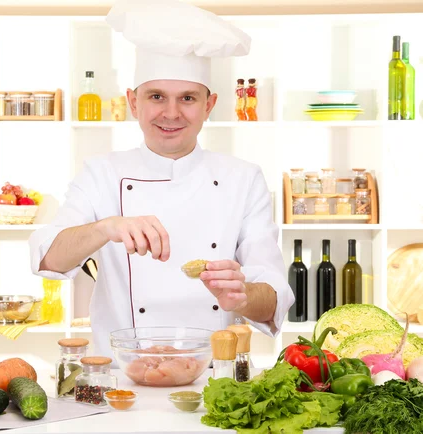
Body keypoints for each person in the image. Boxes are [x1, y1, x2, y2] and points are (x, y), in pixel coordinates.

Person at [29, 0, 294, 359]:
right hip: (121, 379)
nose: (171, 113)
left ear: (209, 105)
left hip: (213, 380)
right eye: (156, 97)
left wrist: (243, 294)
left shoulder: (243, 179)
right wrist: (107, 228)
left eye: (187, 98)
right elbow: (48, 259)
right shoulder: (102, 173)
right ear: (133, 102)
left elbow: (273, 299)